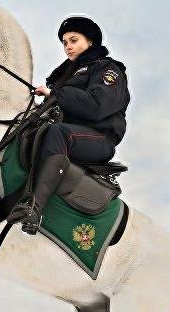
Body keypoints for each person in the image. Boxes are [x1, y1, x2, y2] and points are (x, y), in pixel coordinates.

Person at [8, 15, 130, 234]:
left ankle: (34, 209)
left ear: (90, 42)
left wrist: (56, 94)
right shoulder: (63, 77)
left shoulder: (108, 70)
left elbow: (97, 105)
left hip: (99, 139)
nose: (67, 47)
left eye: (73, 40)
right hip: (67, 133)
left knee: (58, 133)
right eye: (64, 43)